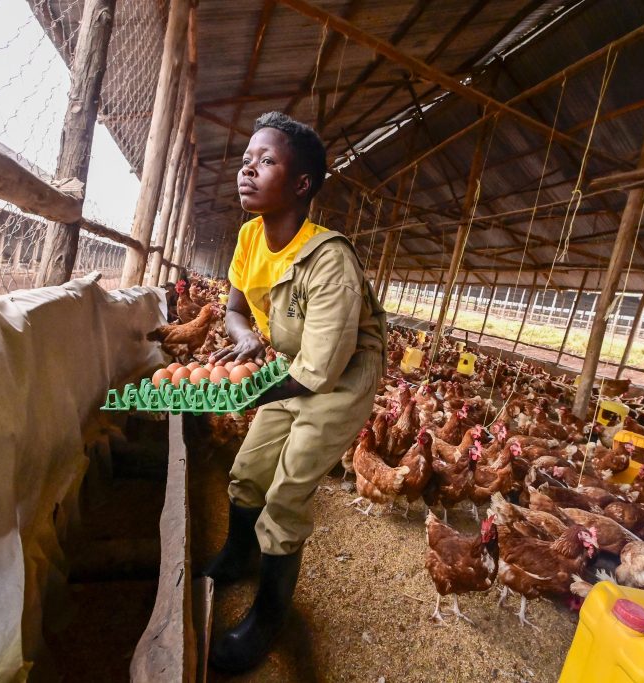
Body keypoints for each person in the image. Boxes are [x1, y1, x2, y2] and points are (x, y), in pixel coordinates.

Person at [202, 112, 386, 673]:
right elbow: (235, 310)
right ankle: (238, 553)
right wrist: (247, 343)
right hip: (293, 363)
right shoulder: (250, 237)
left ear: (302, 184)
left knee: (287, 487)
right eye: (245, 161)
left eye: (266, 162)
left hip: (341, 374)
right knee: (250, 467)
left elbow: (319, 375)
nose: (247, 171)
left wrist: (231, 393)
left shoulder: (330, 260)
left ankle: (268, 618)